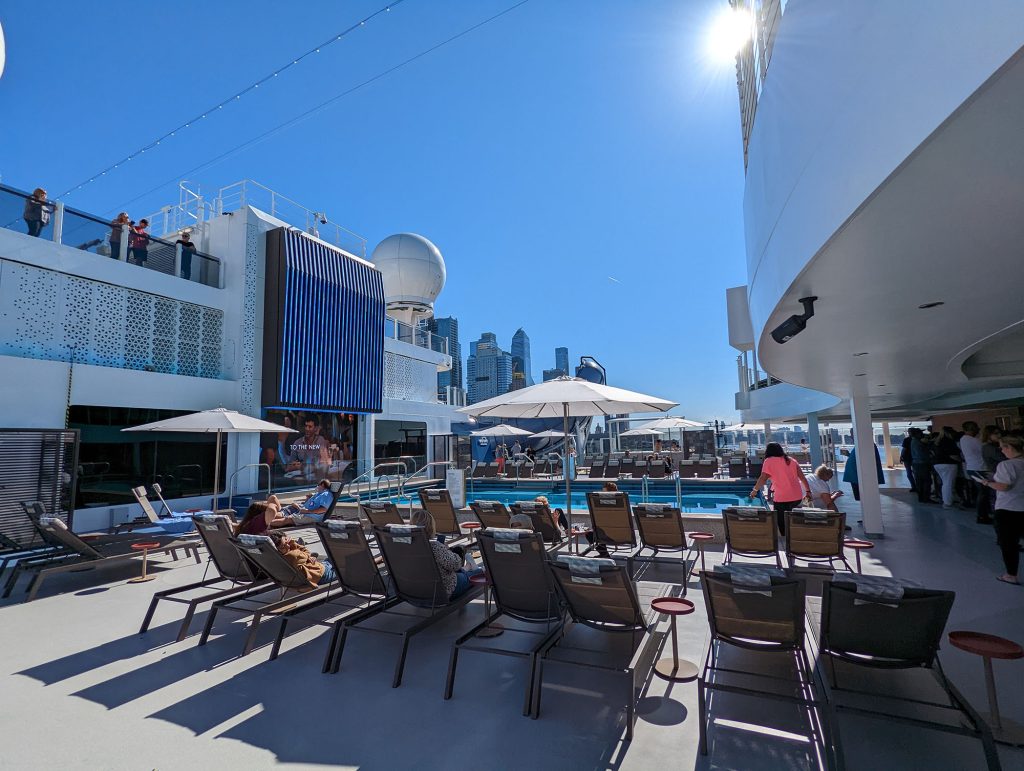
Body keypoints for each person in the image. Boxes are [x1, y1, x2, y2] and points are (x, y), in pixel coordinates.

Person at [979, 434, 1024, 585]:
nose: (1001, 451)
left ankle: (1011, 575)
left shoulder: (1007, 465)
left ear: (1009, 447)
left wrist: (988, 483)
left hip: (1008, 509)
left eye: (1002, 447)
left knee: (1009, 544)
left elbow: (1004, 486)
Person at [410, 509, 482, 599]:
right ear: (431, 528)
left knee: (456, 571)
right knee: (478, 573)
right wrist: (445, 549)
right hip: (444, 590)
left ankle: (469, 566)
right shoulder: (435, 547)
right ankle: (474, 568)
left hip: (418, 590)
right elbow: (456, 565)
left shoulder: (409, 547)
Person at [750, 442, 811, 534]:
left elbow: (763, 478)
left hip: (782, 498)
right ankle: (795, 538)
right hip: (797, 497)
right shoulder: (791, 460)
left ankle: (786, 539)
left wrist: (754, 491)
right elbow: (802, 478)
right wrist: (808, 491)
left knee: (782, 523)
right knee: (794, 520)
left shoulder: (769, 461)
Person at [267, 530, 336, 589]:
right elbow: (306, 551)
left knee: (331, 558)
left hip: (315, 568)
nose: (287, 546)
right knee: (338, 558)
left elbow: (304, 555)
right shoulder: (293, 555)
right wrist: (292, 542)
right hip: (321, 575)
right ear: (276, 550)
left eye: (286, 542)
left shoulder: (276, 558)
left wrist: (307, 557)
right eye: (283, 547)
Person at [268, 478, 334, 525]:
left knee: (287, 519)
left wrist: (307, 511)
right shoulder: (319, 494)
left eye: (318, 485)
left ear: (322, 485)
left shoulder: (326, 494)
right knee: (285, 516)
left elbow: (323, 509)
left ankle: (265, 524)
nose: (317, 487)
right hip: (304, 512)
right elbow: (311, 504)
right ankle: (266, 522)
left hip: (312, 516)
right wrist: (308, 499)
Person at [977, 426, 1005, 524]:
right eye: (996, 433)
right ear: (989, 435)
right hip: (997, 474)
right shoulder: (990, 448)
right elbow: (1004, 459)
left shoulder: (988, 447)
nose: (999, 435)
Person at [932, 426, 962, 508]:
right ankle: (947, 502)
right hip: (948, 464)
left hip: (937, 464)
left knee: (945, 483)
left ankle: (948, 499)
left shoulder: (937, 442)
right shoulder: (949, 441)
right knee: (948, 483)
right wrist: (961, 460)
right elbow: (953, 455)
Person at [960, 421, 985, 515]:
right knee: (983, 492)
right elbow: (983, 450)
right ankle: (982, 514)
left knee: (980, 491)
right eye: (976, 427)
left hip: (971, 467)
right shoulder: (974, 440)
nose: (978, 429)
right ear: (971, 429)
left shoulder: (963, 439)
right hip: (979, 468)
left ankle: (981, 513)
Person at [909, 428, 934, 504]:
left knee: (919, 482)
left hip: (916, 464)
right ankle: (926, 498)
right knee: (927, 481)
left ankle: (921, 497)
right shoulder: (918, 442)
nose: (922, 434)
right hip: (922, 464)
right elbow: (922, 454)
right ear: (917, 434)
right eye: (920, 433)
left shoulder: (914, 441)